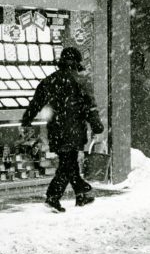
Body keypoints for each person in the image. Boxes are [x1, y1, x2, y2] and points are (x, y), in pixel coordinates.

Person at [20, 47, 103, 212]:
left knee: (69, 163)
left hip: (56, 131)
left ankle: (82, 193)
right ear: (77, 62)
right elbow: (90, 108)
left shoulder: (49, 81)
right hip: (75, 131)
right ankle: (54, 196)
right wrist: (96, 126)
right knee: (67, 165)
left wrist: (27, 120)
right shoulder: (81, 82)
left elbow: (36, 103)